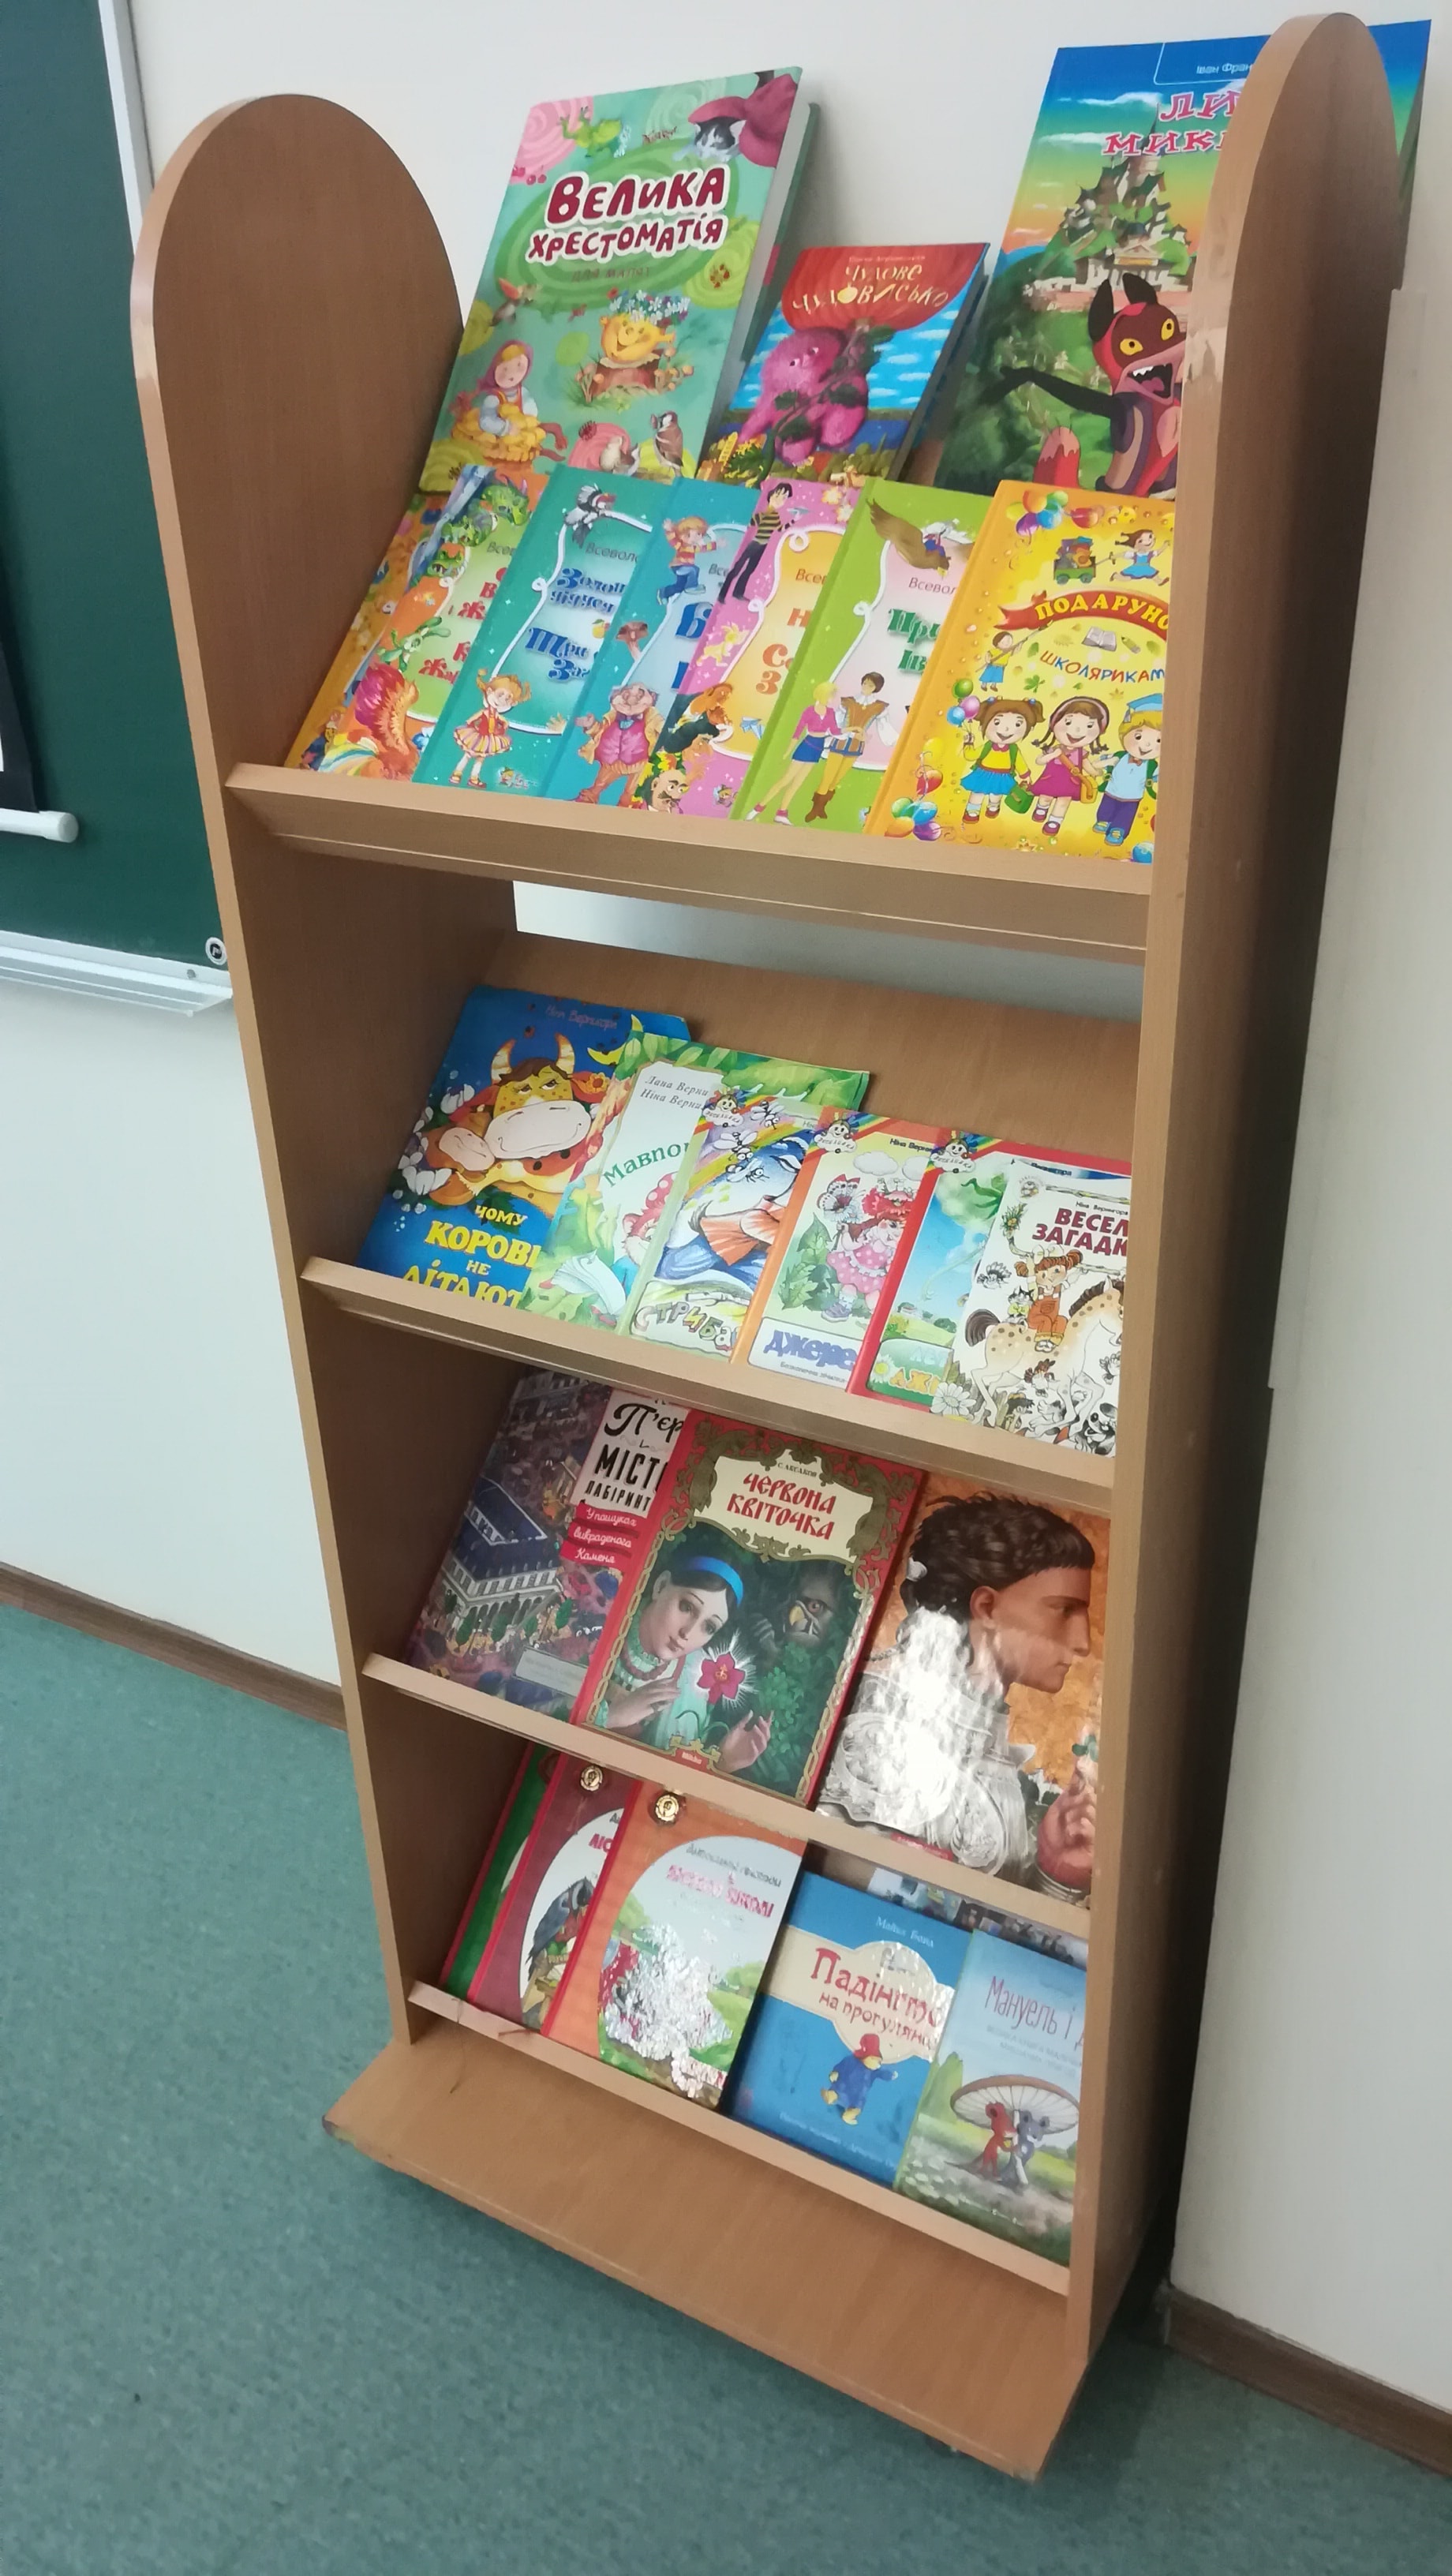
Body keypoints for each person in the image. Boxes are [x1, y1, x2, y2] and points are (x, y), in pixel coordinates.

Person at [818, 1493, 1096, 1884]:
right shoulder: (877, 1730)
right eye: (1064, 1610)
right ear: (986, 1607)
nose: (1083, 1643)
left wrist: (1056, 1869)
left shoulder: (997, 1752)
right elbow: (848, 1887)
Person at [594, 1530, 770, 1770]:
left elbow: (664, 1775)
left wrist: (722, 1764)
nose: (688, 1632)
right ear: (661, 1586)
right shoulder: (601, 1617)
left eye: (709, 1627)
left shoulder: (691, 1680)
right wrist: (611, 1716)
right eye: (687, 1607)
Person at [743, 680, 841, 822]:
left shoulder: (830, 713)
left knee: (797, 784)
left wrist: (853, 730)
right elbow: (798, 732)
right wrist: (788, 751)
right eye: (830, 695)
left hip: (818, 749)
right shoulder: (809, 711)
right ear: (823, 694)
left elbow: (835, 731)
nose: (832, 699)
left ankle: (781, 813)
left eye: (833, 696)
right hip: (807, 746)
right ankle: (759, 807)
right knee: (785, 780)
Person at [804, 670, 889, 823]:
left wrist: (882, 739)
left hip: (855, 747)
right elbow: (836, 722)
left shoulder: (879, 707)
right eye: (865, 683)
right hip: (840, 742)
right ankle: (815, 808)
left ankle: (822, 807)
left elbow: (885, 728)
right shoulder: (848, 702)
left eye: (870, 685)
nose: (866, 687)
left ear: (876, 688)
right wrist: (846, 733)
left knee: (836, 779)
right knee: (828, 777)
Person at [1027, 696, 1110, 837]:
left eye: (1089, 726)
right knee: (1045, 797)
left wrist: (1098, 772)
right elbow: (1039, 761)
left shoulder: (1082, 753)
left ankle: (1055, 821)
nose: (1077, 731)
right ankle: (1042, 808)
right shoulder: (1054, 749)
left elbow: (1088, 767)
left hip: (1070, 783)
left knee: (1064, 801)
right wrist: (1052, 755)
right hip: (1051, 779)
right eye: (1068, 722)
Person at [1094, 695, 1162, 846]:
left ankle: (1118, 830)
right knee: (1106, 808)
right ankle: (1104, 821)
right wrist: (1106, 763)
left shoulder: (1152, 766)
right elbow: (1097, 764)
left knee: (1126, 815)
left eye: (1158, 740)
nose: (1146, 745)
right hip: (1111, 791)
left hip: (1133, 797)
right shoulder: (1119, 756)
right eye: (1138, 736)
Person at [960, 697, 1042, 821]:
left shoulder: (1013, 749)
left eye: (1017, 724)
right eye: (997, 723)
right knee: (977, 793)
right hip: (983, 773)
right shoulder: (987, 746)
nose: (1006, 730)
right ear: (983, 725)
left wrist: (1025, 776)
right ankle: (972, 811)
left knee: (996, 795)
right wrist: (968, 744)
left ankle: (993, 808)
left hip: (1002, 776)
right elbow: (971, 755)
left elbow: (1019, 763)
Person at [719, 479, 791, 601]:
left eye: (784, 498)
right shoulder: (762, 513)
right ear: (771, 495)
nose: (780, 500)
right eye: (778, 495)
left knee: (750, 569)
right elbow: (748, 522)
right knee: (738, 567)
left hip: (763, 546)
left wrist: (794, 520)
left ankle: (738, 592)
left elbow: (780, 528)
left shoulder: (775, 516)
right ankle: (722, 593)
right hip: (755, 543)